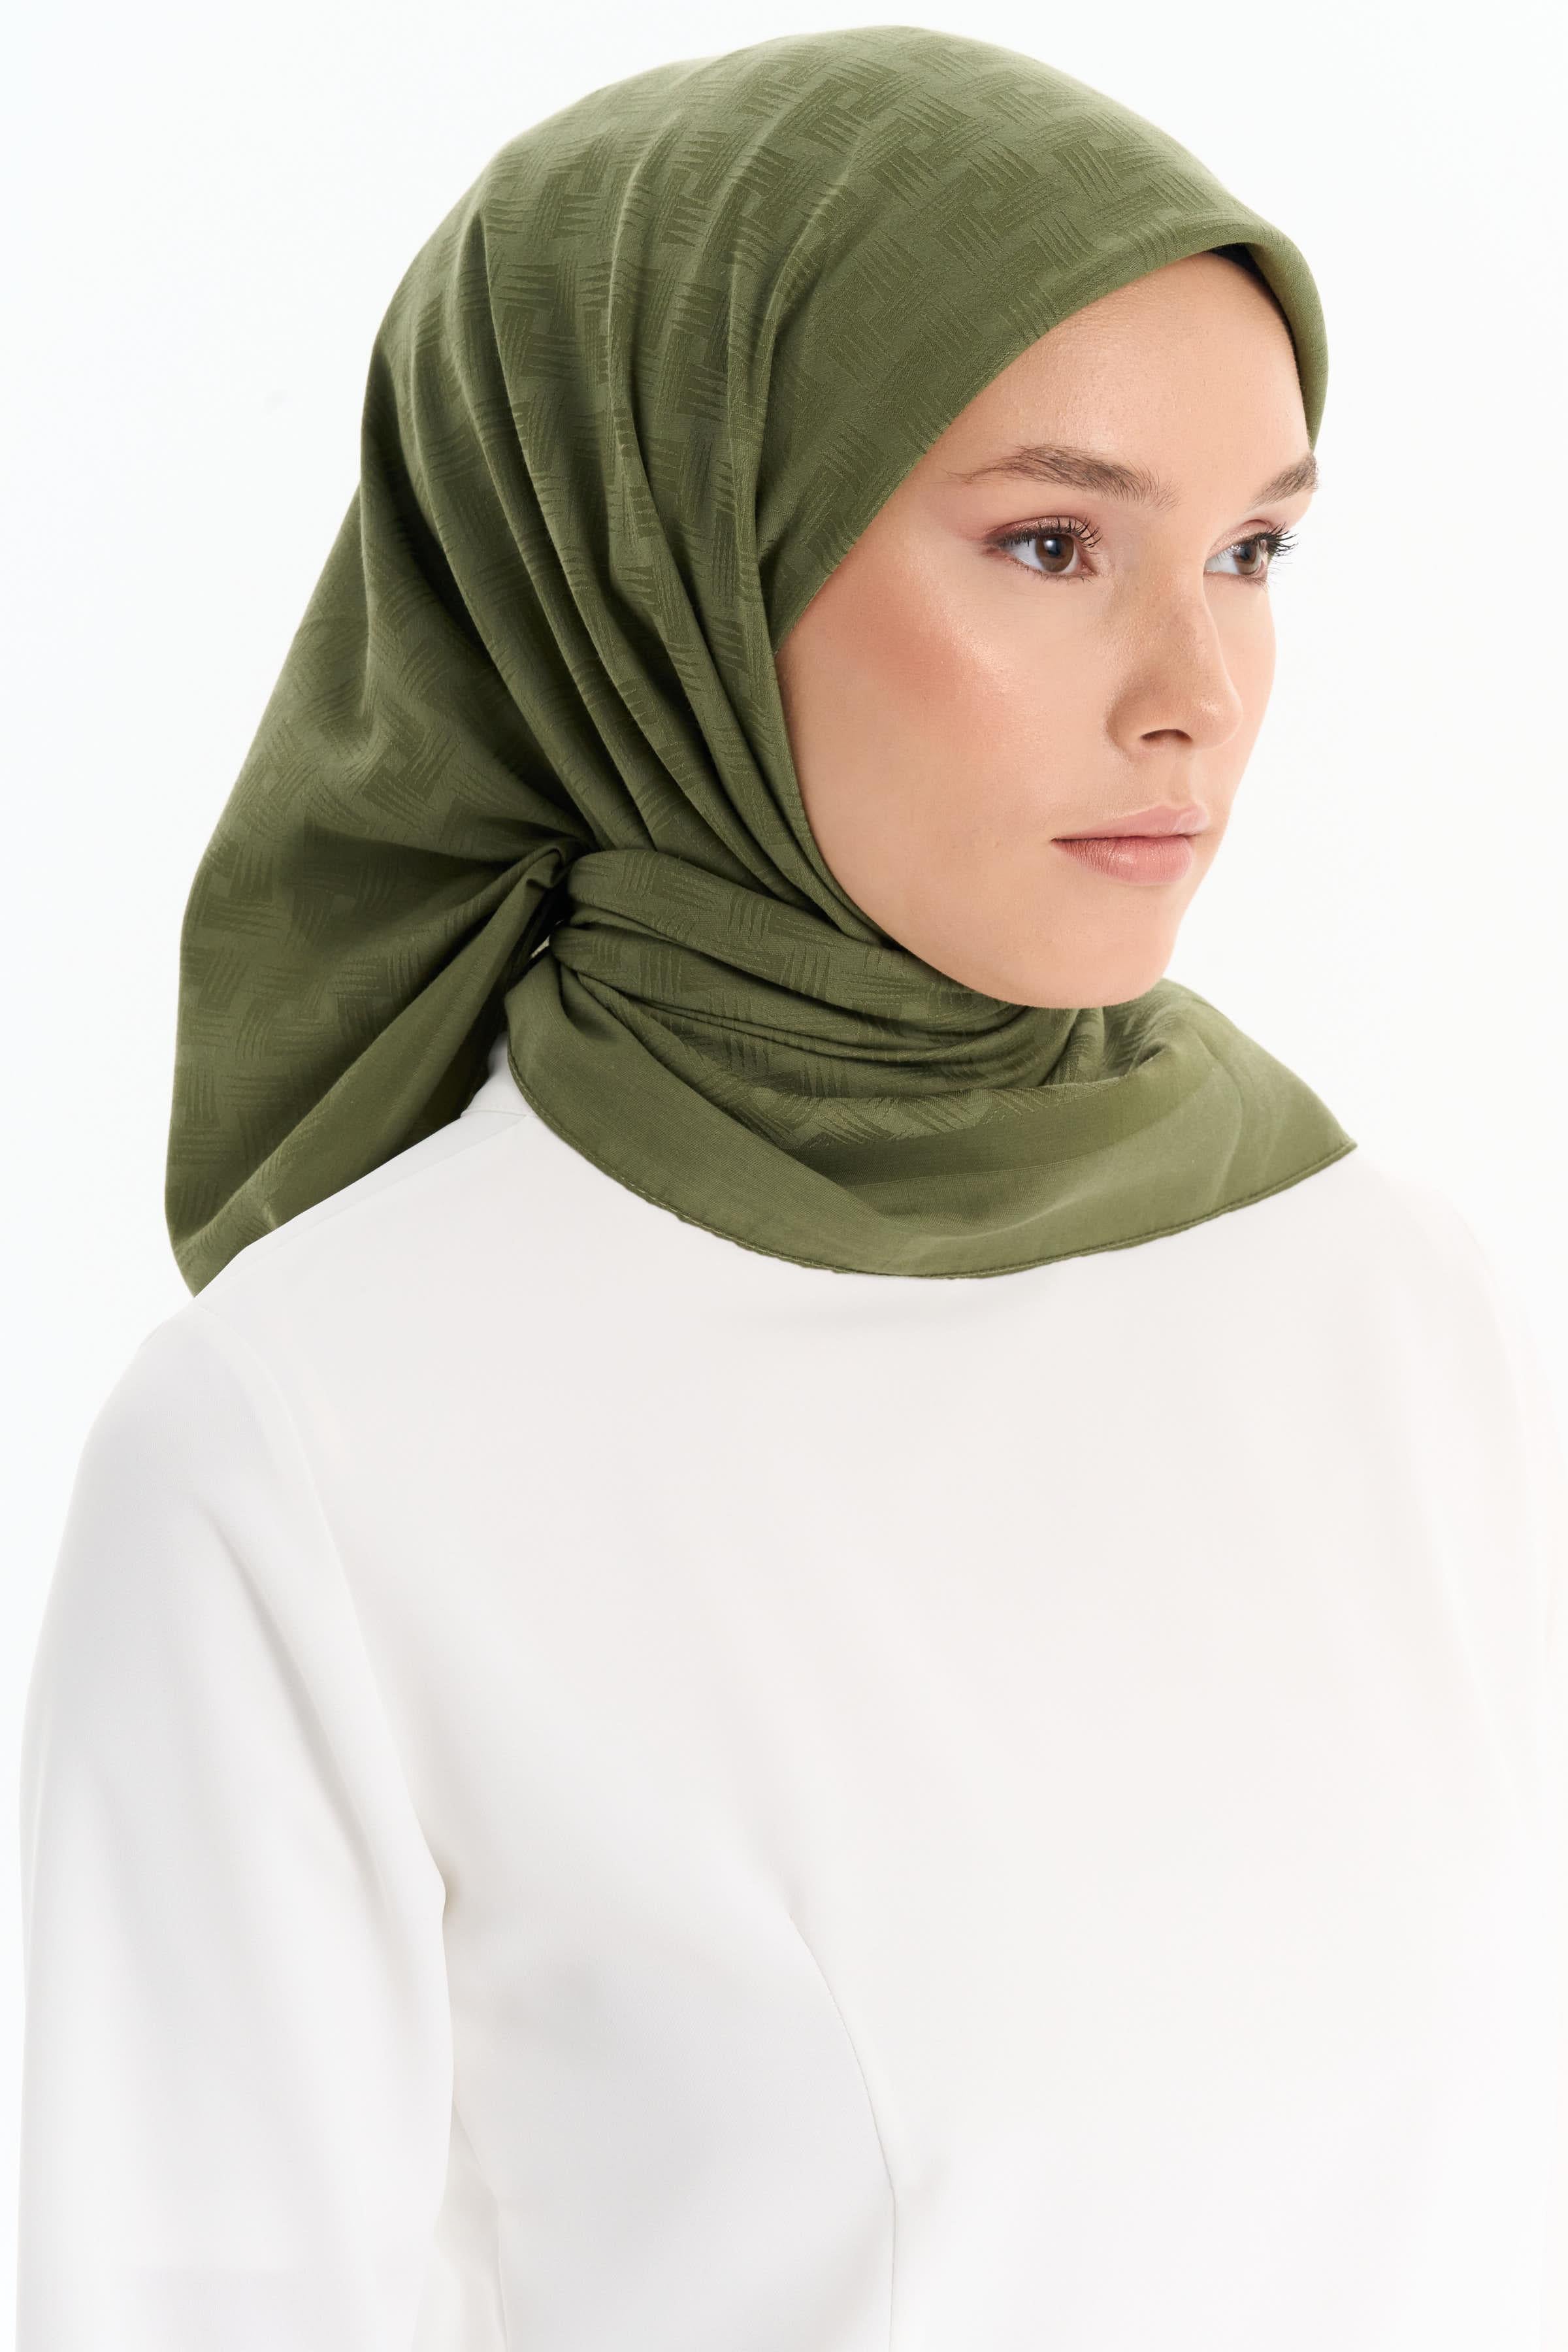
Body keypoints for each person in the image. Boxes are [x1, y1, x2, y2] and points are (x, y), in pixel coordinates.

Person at [16, 25, 1568, 2350]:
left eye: (1253, 551)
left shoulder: (1384, 1298)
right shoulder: (313, 1440)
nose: (1199, 689)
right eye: (1052, 543)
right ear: (664, 568)